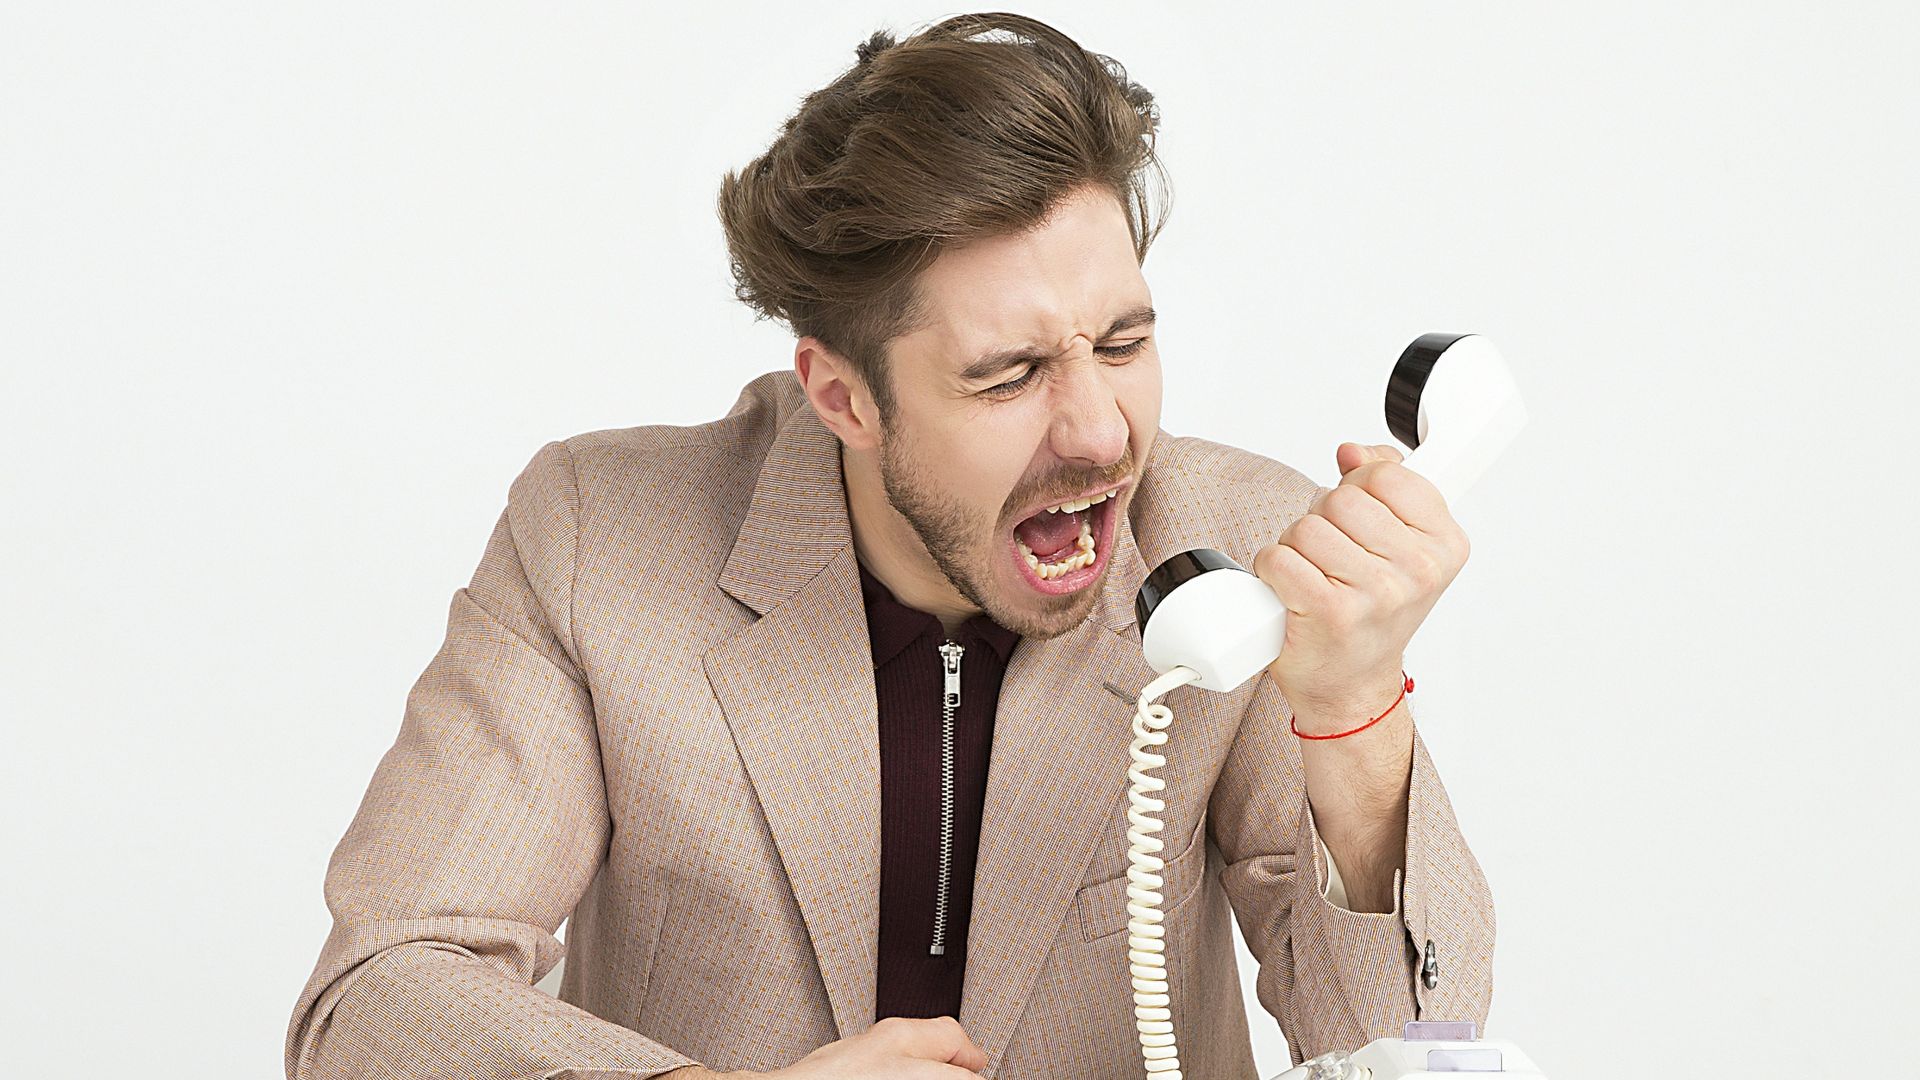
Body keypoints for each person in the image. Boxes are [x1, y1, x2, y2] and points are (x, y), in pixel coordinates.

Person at [285, 12, 1495, 1079]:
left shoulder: (1235, 548)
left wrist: (1353, 719)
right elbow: (376, 1004)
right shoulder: (597, 534)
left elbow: (1414, 1047)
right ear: (845, 398)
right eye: (1009, 373)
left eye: (1121, 343)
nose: (1098, 430)